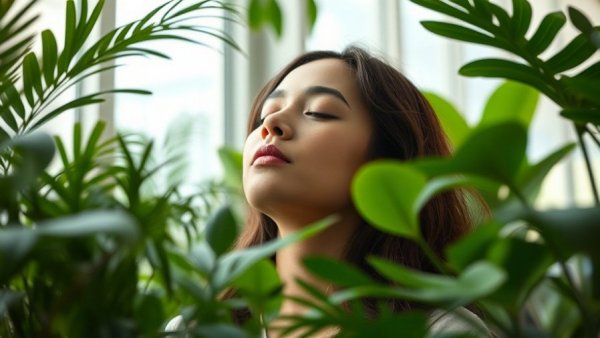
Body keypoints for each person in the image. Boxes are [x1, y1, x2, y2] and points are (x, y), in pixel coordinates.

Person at [235, 45, 488, 337]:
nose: (270, 124)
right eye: (265, 114)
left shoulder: (441, 333)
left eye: (318, 112)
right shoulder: (197, 328)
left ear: (388, 160)